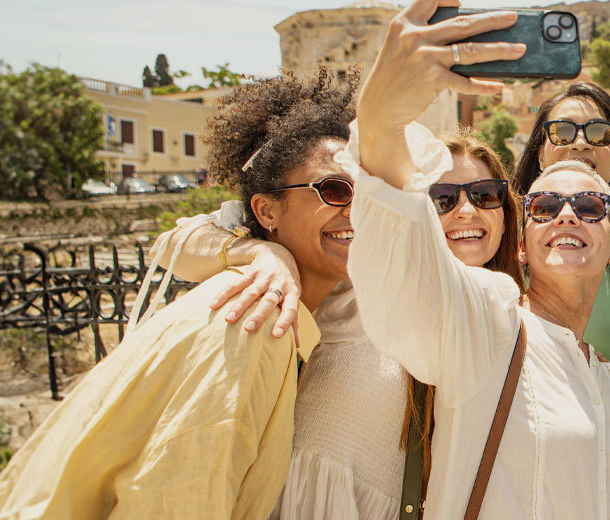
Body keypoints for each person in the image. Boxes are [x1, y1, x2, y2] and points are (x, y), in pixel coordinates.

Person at [0, 71, 351, 519]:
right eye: (335, 189)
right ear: (266, 211)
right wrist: (262, 254)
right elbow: (176, 500)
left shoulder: (273, 308)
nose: (358, 208)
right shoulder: (251, 324)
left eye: (370, 191)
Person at [345, 0, 610, 519]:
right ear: (520, 244)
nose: (567, 214)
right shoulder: (489, 322)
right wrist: (380, 122)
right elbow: (406, 272)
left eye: (589, 205)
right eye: (544, 205)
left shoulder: (606, 381)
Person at [145, 124, 524, 519]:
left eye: (485, 195)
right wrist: (264, 254)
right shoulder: (360, 281)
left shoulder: (516, 323)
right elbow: (173, 243)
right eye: (441, 198)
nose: (467, 210)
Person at [512, 82, 610, 452]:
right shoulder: (501, 245)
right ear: (539, 155)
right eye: (562, 131)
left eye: (599, 133)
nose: (580, 143)